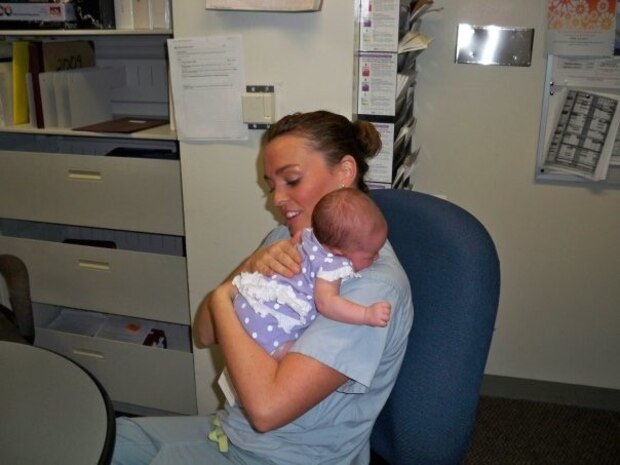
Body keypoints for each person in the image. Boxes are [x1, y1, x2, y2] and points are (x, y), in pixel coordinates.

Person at [112, 110, 414, 465]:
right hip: (230, 433)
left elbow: (267, 410)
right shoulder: (287, 239)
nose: (277, 199)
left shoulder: (369, 286)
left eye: (292, 180)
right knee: (105, 438)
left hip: (283, 458)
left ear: (345, 172)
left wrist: (222, 298)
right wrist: (248, 268)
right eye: (272, 186)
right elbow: (205, 333)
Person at [232, 187, 391, 361]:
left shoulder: (308, 235)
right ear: (339, 252)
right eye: (370, 254)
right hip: (269, 322)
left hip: (247, 303)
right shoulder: (331, 264)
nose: (378, 256)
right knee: (291, 362)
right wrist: (366, 314)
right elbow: (327, 303)